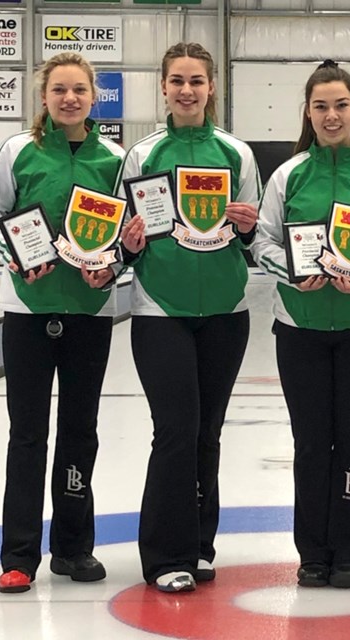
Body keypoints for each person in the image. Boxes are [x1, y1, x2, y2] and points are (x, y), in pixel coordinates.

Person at [251, 60, 350, 589]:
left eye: (341, 105)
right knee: (310, 441)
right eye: (321, 106)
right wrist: (293, 276)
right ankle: (311, 552)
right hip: (299, 328)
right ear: (307, 112)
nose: (331, 115)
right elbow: (263, 243)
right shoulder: (288, 174)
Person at [0, 52, 125, 594]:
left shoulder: (115, 157)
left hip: (89, 312)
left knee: (80, 432)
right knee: (28, 434)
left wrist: (111, 268)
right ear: (44, 96)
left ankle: (74, 548)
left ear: (93, 97)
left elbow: (127, 235)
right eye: (59, 90)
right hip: (27, 312)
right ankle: (18, 555)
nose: (69, 99)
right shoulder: (18, 150)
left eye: (79, 90)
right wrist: (17, 259)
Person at [116, 42, 261, 594]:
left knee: (208, 434)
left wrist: (247, 227)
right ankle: (164, 556)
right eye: (177, 80)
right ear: (163, 87)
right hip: (160, 309)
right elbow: (122, 235)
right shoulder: (144, 155)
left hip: (226, 310)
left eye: (196, 81)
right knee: (175, 431)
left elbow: (256, 233)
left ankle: (200, 546)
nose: (186, 90)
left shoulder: (237, 153)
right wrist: (126, 244)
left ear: (211, 87)